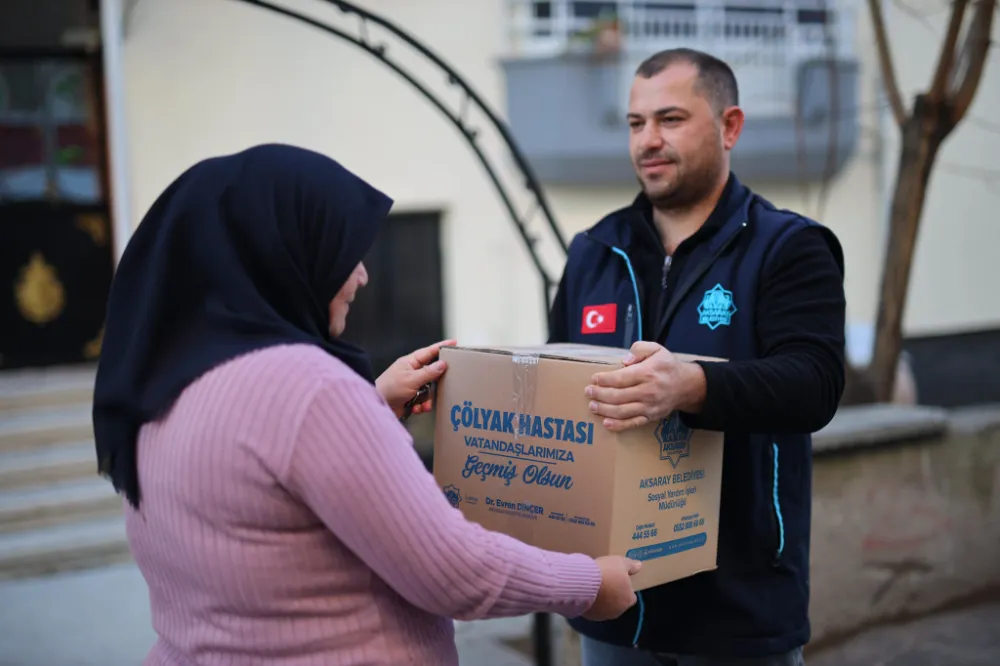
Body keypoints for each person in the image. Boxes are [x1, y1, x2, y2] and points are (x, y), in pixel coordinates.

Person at [91, 143, 642, 665]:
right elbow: (452, 570)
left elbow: (257, 488)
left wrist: (371, 405)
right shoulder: (308, 387)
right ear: (284, 254)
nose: (361, 275)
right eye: (343, 254)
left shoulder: (164, 386)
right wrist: (591, 584)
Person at [547, 49, 847, 665]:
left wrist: (690, 386)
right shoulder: (593, 252)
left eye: (670, 119)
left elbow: (814, 385)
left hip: (737, 611)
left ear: (729, 125)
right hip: (612, 610)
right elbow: (559, 391)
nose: (648, 141)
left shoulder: (789, 247)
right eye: (635, 124)